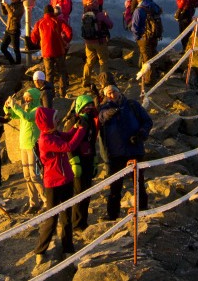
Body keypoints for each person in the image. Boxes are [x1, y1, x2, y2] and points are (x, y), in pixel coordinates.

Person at [31, 106, 87, 265]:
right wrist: (82, 130)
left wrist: (75, 128)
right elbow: (68, 146)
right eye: (55, 119)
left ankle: (68, 248)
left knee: (66, 217)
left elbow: (67, 136)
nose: (57, 121)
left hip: (66, 179)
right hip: (53, 183)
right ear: (48, 122)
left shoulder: (53, 134)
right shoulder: (46, 140)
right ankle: (40, 250)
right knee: (52, 218)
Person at [97, 84, 152, 219]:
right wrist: (110, 112)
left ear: (119, 91)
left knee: (138, 182)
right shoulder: (104, 109)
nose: (112, 95)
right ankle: (112, 214)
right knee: (115, 186)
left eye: (113, 91)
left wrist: (141, 134)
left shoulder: (132, 105)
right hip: (115, 154)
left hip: (134, 150)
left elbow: (147, 121)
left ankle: (142, 209)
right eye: (108, 93)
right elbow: (101, 118)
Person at [4, 87, 47, 212]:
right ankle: (33, 202)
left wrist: (15, 106)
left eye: (28, 97)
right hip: (23, 145)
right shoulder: (25, 108)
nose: (26, 99)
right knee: (27, 175)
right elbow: (14, 115)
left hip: (33, 145)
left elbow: (27, 117)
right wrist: (8, 107)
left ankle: (46, 200)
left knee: (35, 175)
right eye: (25, 97)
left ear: (34, 97)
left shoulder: (38, 109)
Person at [65, 94, 99, 230]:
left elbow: (92, 141)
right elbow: (69, 143)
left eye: (91, 105)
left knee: (87, 192)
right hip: (78, 160)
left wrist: (95, 159)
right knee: (79, 193)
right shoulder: (75, 121)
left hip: (89, 158)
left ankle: (83, 221)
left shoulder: (91, 121)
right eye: (86, 106)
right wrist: (74, 161)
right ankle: (77, 224)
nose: (89, 108)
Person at [31, 4, 72, 99]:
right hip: (59, 51)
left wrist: (39, 43)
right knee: (62, 72)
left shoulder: (40, 22)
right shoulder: (58, 20)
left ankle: (50, 94)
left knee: (49, 74)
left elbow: (33, 37)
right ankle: (62, 93)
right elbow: (69, 32)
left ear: (44, 13)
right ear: (52, 12)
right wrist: (66, 41)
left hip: (46, 52)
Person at [79, 0, 114, 95]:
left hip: (88, 42)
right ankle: (104, 82)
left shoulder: (84, 15)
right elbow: (110, 25)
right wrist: (107, 17)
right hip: (100, 42)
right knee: (103, 61)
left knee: (89, 62)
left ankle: (85, 81)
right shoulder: (100, 15)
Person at [130, 0, 163, 89]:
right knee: (153, 56)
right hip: (154, 35)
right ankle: (154, 76)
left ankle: (149, 81)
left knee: (146, 59)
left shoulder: (139, 10)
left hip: (144, 37)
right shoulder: (152, 5)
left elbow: (135, 26)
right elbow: (159, 11)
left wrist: (137, 38)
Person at [0, 0, 25, 65]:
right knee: (3, 48)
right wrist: (2, 5)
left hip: (15, 30)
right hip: (8, 29)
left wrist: (7, 6)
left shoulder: (21, 7)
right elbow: (5, 13)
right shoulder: (12, 5)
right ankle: (12, 62)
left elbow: (13, 15)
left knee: (16, 49)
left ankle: (18, 64)